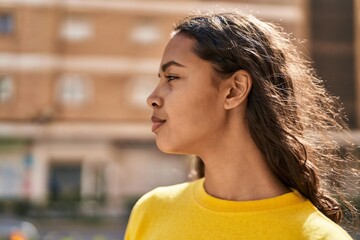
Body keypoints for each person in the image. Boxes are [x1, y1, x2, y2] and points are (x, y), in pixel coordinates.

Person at [125, 11, 358, 239]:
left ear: (234, 90)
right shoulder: (151, 211)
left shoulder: (320, 237)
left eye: (172, 77)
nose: (152, 98)